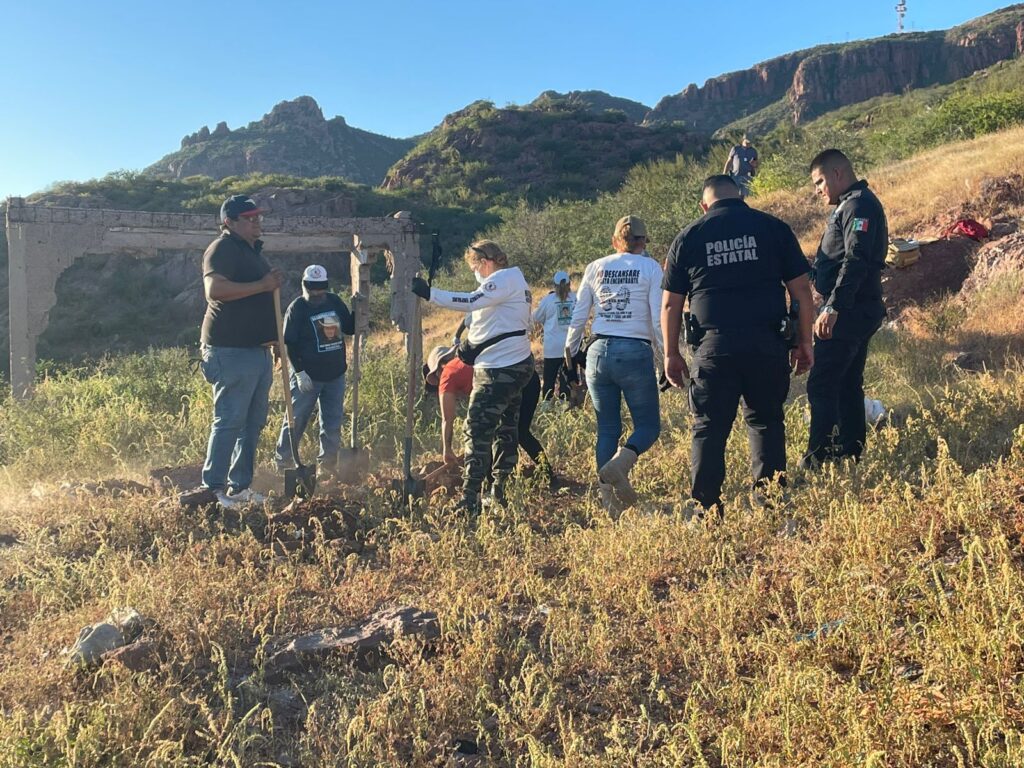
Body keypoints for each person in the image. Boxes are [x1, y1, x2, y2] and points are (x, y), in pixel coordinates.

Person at [662, 175, 814, 516]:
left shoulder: (690, 236)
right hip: (767, 345)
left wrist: (671, 354)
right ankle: (771, 505)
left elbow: (672, 304)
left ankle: (705, 510)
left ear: (704, 205)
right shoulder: (773, 228)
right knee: (765, 422)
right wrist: (805, 343)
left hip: (714, 349)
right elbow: (801, 290)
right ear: (741, 196)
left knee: (709, 428)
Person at [411, 240, 534, 512]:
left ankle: (470, 499)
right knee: (506, 428)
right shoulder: (514, 282)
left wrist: (430, 294)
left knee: (477, 429)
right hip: (514, 365)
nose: (475, 273)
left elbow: (469, 301)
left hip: (499, 369)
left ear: (486, 261)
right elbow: (491, 321)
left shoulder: (502, 280)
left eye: (474, 266)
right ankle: (498, 491)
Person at [566, 215, 664, 511]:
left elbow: (579, 316)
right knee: (648, 426)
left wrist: (570, 357)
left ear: (614, 242)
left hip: (597, 352)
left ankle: (607, 500)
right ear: (644, 242)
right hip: (634, 351)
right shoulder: (650, 267)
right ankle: (621, 463)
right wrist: (667, 356)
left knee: (607, 428)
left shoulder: (595, 267)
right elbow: (658, 318)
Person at [801, 148, 888, 469]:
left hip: (851, 310)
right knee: (847, 383)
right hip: (855, 308)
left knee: (822, 384)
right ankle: (849, 453)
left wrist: (834, 306)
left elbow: (857, 258)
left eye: (820, 181)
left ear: (838, 173)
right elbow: (839, 260)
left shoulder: (860, 205)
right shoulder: (850, 205)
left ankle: (817, 460)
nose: (818, 189)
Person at [196, 195, 284, 508]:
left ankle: (240, 486)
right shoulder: (223, 248)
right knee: (230, 420)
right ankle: (214, 489)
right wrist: (262, 284)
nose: (256, 222)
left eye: (257, 217)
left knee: (252, 423)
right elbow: (215, 291)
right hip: (230, 350)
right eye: (249, 218)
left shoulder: (251, 251)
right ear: (229, 222)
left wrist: (273, 342)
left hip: (255, 352)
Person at [275, 264, 355, 473]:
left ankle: (327, 466)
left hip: (335, 374)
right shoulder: (297, 308)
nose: (317, 292)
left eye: (320, 287)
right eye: (312, 287)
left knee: (332, 422)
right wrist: (299, 372)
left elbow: (349, 328)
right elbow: (289, 343)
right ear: (305, 286)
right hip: (308, 375)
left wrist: (358, 309)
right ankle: (284, 462)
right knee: (296, 419)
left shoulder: (335, 302)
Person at [533, 271, 579, 400]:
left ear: (554, 285)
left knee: (549, 380)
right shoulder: (575, 299)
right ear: (569, 284)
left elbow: (536, 317)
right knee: (567, 380)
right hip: (570, 348)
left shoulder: (548, 300)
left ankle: (547, 406)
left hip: (552, 347)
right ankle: (565, 404)